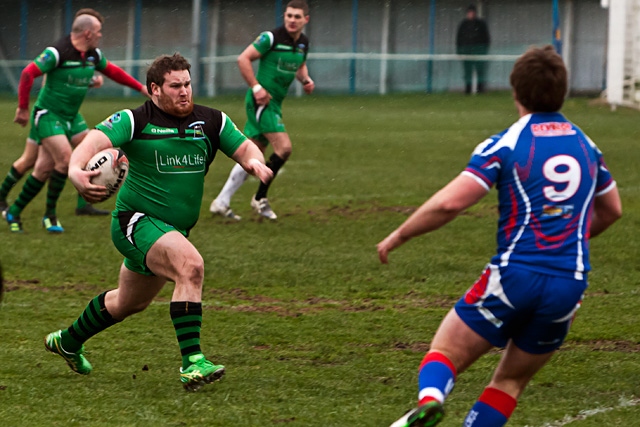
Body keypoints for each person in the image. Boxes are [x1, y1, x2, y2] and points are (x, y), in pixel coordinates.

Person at [380, 45, 622, 427]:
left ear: (516, 91)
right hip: (569, 284)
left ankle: (430, 400)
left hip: (516, 274)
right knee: (509, 380)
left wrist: (399, 235)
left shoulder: (507, 142)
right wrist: (571, 239)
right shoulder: (587, 146)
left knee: (446, 350)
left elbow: (449, 204)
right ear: (562, 91)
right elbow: (613, 210)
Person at [44, 53, 273, 391]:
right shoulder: (135, 120)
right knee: (191, 265)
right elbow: (92, 141)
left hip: (172, 229)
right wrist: (77, 170)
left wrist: (255, 163)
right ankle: (193, 363)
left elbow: (246, 147)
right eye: (175, 86)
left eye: (188, 84)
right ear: (155, 89)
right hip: (135, 222)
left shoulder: (212, 121)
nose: (184, 92)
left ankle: (68, 340)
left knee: (128, 302)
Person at [3, 8, 149, 234]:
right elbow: (27, 73)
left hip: (72, 117)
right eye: (99, 32)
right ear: (88, 33)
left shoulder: (93, 55)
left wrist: (140, 87)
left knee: (47, 167)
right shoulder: (57, 52)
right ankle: (49, 215)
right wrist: (23, 108)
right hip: (49, 115)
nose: (101, 36)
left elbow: (113, 72)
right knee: (62, 161)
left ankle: (25, 210)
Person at [209, 0, 314, 221]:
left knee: (251, 154)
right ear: (284, 17)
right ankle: (260, 198)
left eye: (297, 16)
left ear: (306, 19)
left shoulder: (303, 43)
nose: (292, 20)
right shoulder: (271, 38)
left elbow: (299, 64)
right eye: (289, 16)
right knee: (284, 148)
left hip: (274, 103)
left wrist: (305, 79)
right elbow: (243, 58)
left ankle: (221, 202)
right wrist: (256, 87)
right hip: (262, 103)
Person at [456, 5, 490, 94]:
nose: (471, 14)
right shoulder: (463, 24)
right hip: (466, 50)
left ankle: (480, 88)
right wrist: (459, 51)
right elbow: (459, 38)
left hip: (479, 50)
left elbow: (486, 38)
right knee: (467, 70)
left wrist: (484, 49)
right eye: (470, 12)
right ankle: (468, 89)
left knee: (480, 69)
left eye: (472, 12)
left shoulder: (481, 24)